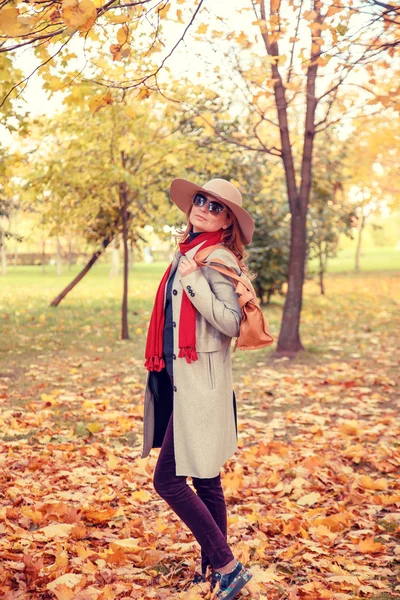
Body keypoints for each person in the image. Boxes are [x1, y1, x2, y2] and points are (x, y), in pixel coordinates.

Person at [142, 178, 255, 599]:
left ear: (227, 222)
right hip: (181, 380)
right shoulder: (191, 251)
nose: (204, 207)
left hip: (201, 387)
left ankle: (228, 566)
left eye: (216, 206)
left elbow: (231, 324)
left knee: (167, 481)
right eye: (201, 200)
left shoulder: (215, 258)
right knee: (206, 480)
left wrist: (195, 282)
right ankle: (214, 569)